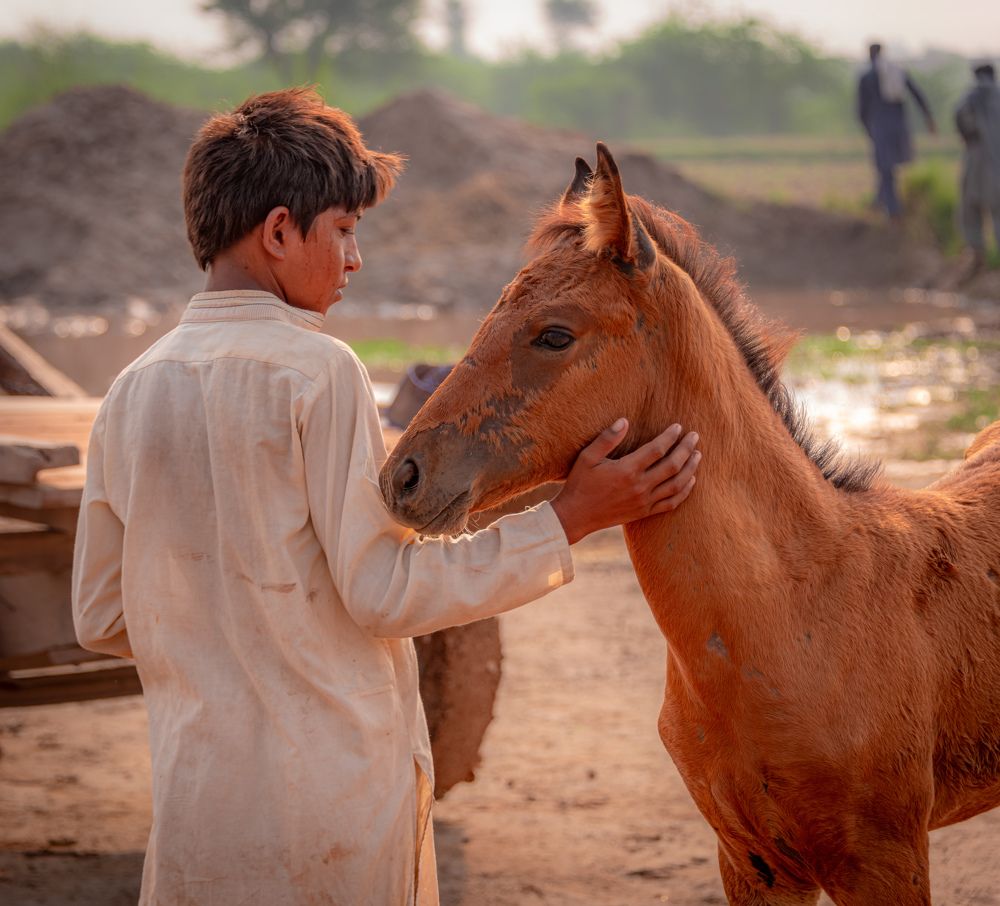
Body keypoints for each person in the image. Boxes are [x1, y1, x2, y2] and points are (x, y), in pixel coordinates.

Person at [71, 88, 701, 906]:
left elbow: (99, 613)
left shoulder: (131, 389)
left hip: (197, 807)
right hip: (328, 809)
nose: (355, 258)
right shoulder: (317, 373)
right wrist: (570, 517)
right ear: (278, 232)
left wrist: (235, 641)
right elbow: (385, 591)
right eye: (344, 230)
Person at [857, 42, 936, 219]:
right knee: (887, 165)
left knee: (884, 165)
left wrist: (867, 128)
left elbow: (861, 108)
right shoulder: (897, 72)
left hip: (880, 125)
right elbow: (917, 94)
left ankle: (892, 208)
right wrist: (928, 117)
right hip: (899, 124)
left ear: (870, 54)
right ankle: (880, 200)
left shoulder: (867, 76)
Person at [955, 61, 1000, 274]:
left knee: (970, 208)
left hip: (977, 163)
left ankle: (977, 255)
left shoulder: (971, 98)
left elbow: (961, 123)